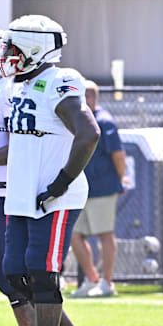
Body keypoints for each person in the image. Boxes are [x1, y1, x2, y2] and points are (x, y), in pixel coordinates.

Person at [0, 15, 100, 326]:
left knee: (42, 273)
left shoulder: (61, 79)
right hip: (23, 193)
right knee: (14, 273)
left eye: (12, 48)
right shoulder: (22, 84)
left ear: (32, 49)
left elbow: (88, 134)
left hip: (53, 195)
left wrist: (61, 182)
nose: (6, 55)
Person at [70, 80, 126, 298]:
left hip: (103, 188)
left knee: (105, 234)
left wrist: (119, 181)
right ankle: (92, 280)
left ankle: (107, 283)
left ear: (91, 98)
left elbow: (118, 156)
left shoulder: (105, 121)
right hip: (78, 189)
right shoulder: (76, 120)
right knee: (75, 236)